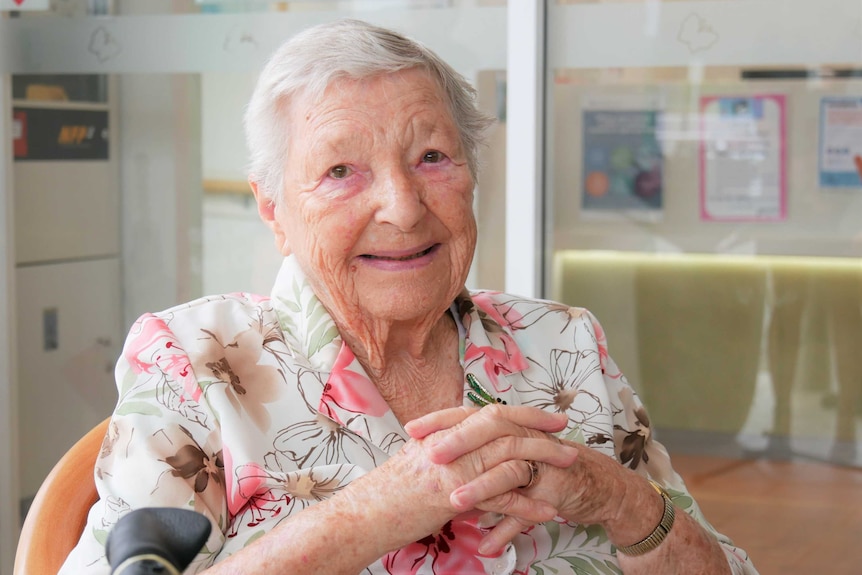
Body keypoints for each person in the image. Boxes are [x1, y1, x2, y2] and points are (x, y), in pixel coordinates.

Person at [60, 19, 758, 575]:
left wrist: (618, 498)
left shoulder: (564, 344)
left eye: (432, 157)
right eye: (341, 171)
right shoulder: (196, 363)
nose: (401, 207)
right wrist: (376, 513)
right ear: (273, 209)